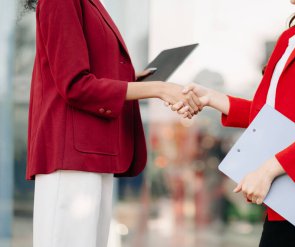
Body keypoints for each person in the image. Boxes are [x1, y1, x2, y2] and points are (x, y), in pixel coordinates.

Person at [170, 0, 295, 246]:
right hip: (288, 193)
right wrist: (212, 98)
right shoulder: (294, 35)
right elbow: (269, 116)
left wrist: (267, 170)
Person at [24, 0, 199, 246]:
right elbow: (75, 85)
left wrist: (130, 78)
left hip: (90, 154)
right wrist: (158, 88)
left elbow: (84, 71)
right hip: (72, 158)